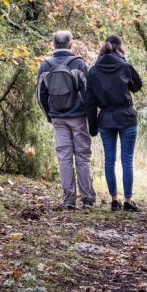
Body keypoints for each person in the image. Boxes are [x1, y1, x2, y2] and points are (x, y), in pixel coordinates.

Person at [37, 30, 96, 211]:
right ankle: (87, 199)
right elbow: (88, 92)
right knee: (82, 157)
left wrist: (50, 114)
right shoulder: (78, 63)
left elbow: (41, 95)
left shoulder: (45, 65)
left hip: (58, 118)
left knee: (64, 158)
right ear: (71, 44)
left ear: (53, 45)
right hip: (78, 116)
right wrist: (90, 116)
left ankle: (69, 200)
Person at [85, 34, 143, 212]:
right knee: (127, 160)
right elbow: (137, 86)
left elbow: (90, 102)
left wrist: (92, 126)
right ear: (120, 47)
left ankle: (114, 200)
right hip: (126, 117)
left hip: (106, 119)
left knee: (109, 160)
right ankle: (128, 200)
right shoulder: (125, 66)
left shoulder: (93, 71)